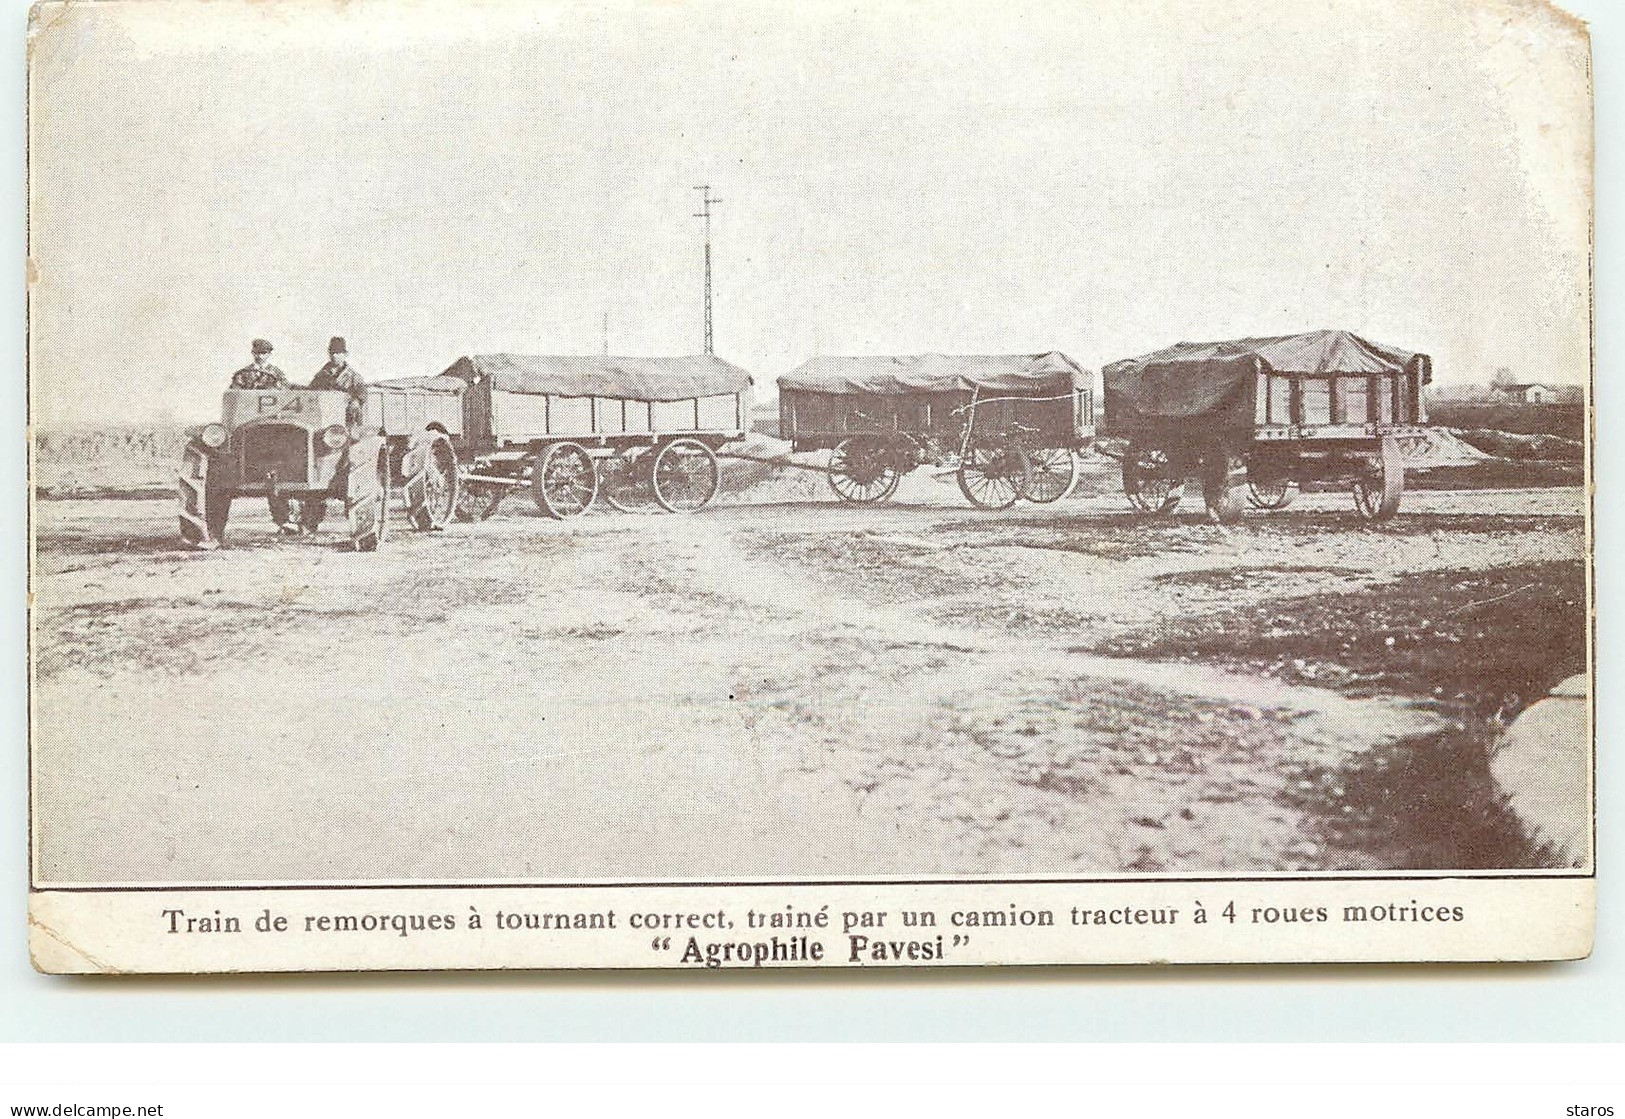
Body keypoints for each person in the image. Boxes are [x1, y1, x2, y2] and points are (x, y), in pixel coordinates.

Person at [309, 336, 367, 426]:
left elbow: (362, 393)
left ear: (345, 354)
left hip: (346, 419)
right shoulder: (321, 375)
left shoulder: (353, 377)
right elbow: (311, 391)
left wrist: (356, 401)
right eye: (332, 353)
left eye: (338, 352)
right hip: (324, 418)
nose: (334, 356)